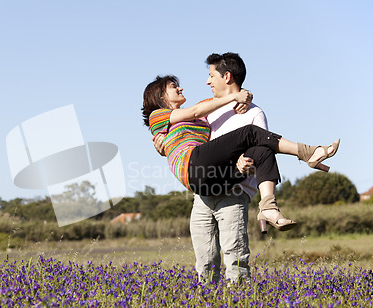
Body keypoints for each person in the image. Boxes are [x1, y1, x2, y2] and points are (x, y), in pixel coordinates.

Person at [143, 54, 339, 282]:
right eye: (173, 86)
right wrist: (163, 147)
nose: (206, 82)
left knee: (262, 149)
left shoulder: (225, 110)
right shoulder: (161, 115)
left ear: (226, 76)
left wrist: (244, 97)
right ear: (160, 96)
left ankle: (268, 206)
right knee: (205, 260)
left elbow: (213, 119)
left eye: (210, 76)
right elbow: (193, 116)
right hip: (197, 177)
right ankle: (308, 152)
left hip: (227, 182)